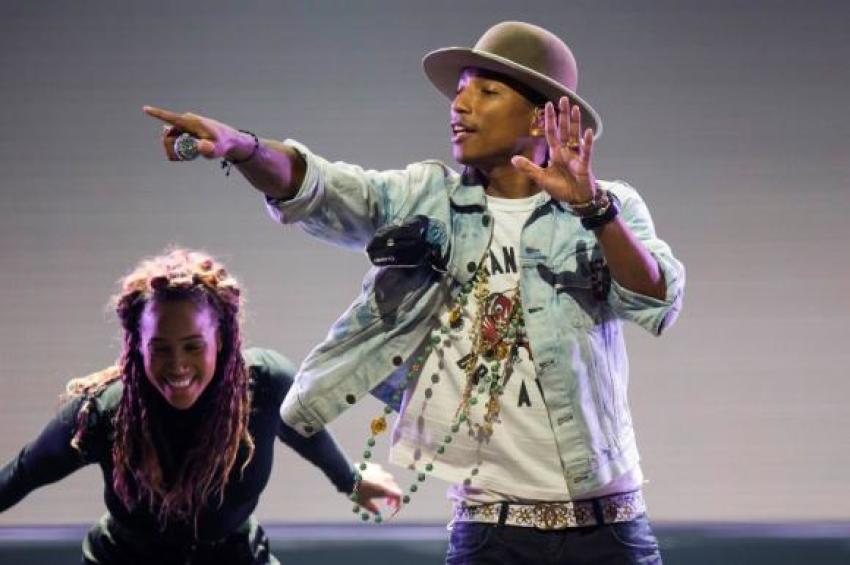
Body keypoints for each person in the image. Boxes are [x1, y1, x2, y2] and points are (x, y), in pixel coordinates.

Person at [143, 21, 684, 565]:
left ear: (543, 117)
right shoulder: (426, 199)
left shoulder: (608, 205)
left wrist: (593, 208)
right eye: (460, 90)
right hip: (490, 531)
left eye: (487, 91)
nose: (460, 104)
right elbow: (321, 187)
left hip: (610, 528)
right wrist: (243, 147)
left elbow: (655, 301)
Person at [0, 248, 401, 564]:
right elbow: (22, 473)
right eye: (160, 349)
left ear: (222, 340)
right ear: (138, 348)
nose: (177, 366)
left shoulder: (262, 387)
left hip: (234, 555)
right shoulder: (105, 413)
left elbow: (303, 430)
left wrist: (350, 480)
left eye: (193, 346)